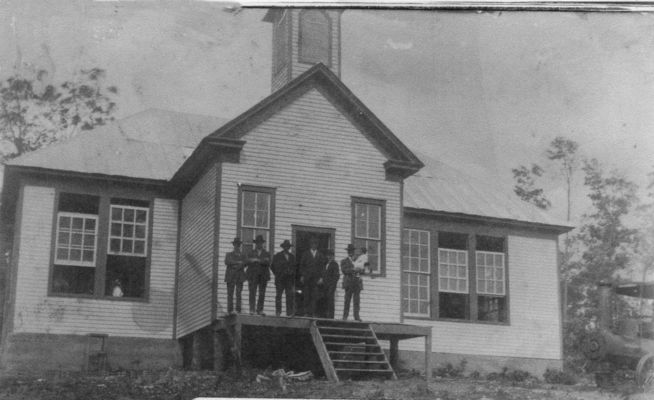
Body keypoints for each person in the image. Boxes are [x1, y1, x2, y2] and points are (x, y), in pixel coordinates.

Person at [299, 237, 326, 317]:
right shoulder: (306, 254)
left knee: (314, 296)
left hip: (316, 279)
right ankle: (306, 313)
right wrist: (302, 275)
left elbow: (323, 267)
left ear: (317, 245)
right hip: (307, 278)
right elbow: (302, 266)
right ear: (310, 245)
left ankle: (313, 313)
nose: (314, 245)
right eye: (312, 243)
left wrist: (321, 278)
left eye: (315, 243)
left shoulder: (320, 255)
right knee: (306, 295)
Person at [245, 235, 271, 315]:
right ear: (256, 244)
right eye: (258, 243)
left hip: (263, 275)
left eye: (261, 243)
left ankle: (260, 310)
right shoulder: (251, 252)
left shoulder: (266, 253)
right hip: (253, 275)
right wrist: (254, 260)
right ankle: (252, 309)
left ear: (262, 244)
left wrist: (256, 260)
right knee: (252, 292)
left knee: (262, 293)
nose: (259, 244)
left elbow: (268, 262)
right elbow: (247, 261)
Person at [271, 239, 296, 316]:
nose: (286, 248)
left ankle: (289, 312)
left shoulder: (292, 257)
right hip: (280, 279)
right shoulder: (278, 256)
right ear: (283, 247)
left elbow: (295, 268)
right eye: (285, 246)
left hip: (289, 280)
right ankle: (278, 311)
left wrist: (291, 272)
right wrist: (278, 274)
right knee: (279, 295)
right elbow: (272, 266)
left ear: (289, 248)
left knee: (289, 295)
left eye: (288, 247)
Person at [224, 237, 247, 315]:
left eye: (238, 245)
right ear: (233, 245)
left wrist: (235, 264)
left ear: (240, 245)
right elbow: (227, 262)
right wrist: (238, 262)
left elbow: (245, 263)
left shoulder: (243, 255)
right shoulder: (229, 254)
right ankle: (230, 310)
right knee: (230, 293)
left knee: (238, 293)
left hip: (240, 277)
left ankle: (238, 310)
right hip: (230, 276)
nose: (237, 246)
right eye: (236, 245)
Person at [341, 243, 364, 321]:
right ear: (347, 252)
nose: (351, 252)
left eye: (352, 251)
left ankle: (356, 316)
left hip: (357, 283)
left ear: (354, 251)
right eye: (349, 251)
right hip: (348, 282)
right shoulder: (344, 261)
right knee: (347, 300)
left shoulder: (359, 260)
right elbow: (344, 270)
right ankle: (345, 316)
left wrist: (360, 270)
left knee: (356, 301)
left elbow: (363, 270)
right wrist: (353, 270)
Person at [317, 249, 340, 319]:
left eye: (331, 256)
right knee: (324, 300)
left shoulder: (335, 264)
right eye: (328, 255)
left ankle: (330, 317)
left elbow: (336, 276)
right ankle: (323, 316)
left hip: (331, 286)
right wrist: (321, 278)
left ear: (333, 256)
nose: (329, 257)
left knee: (330, 301)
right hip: (324, 286)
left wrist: (333, 286)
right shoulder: (326, 264)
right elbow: (323, 274)